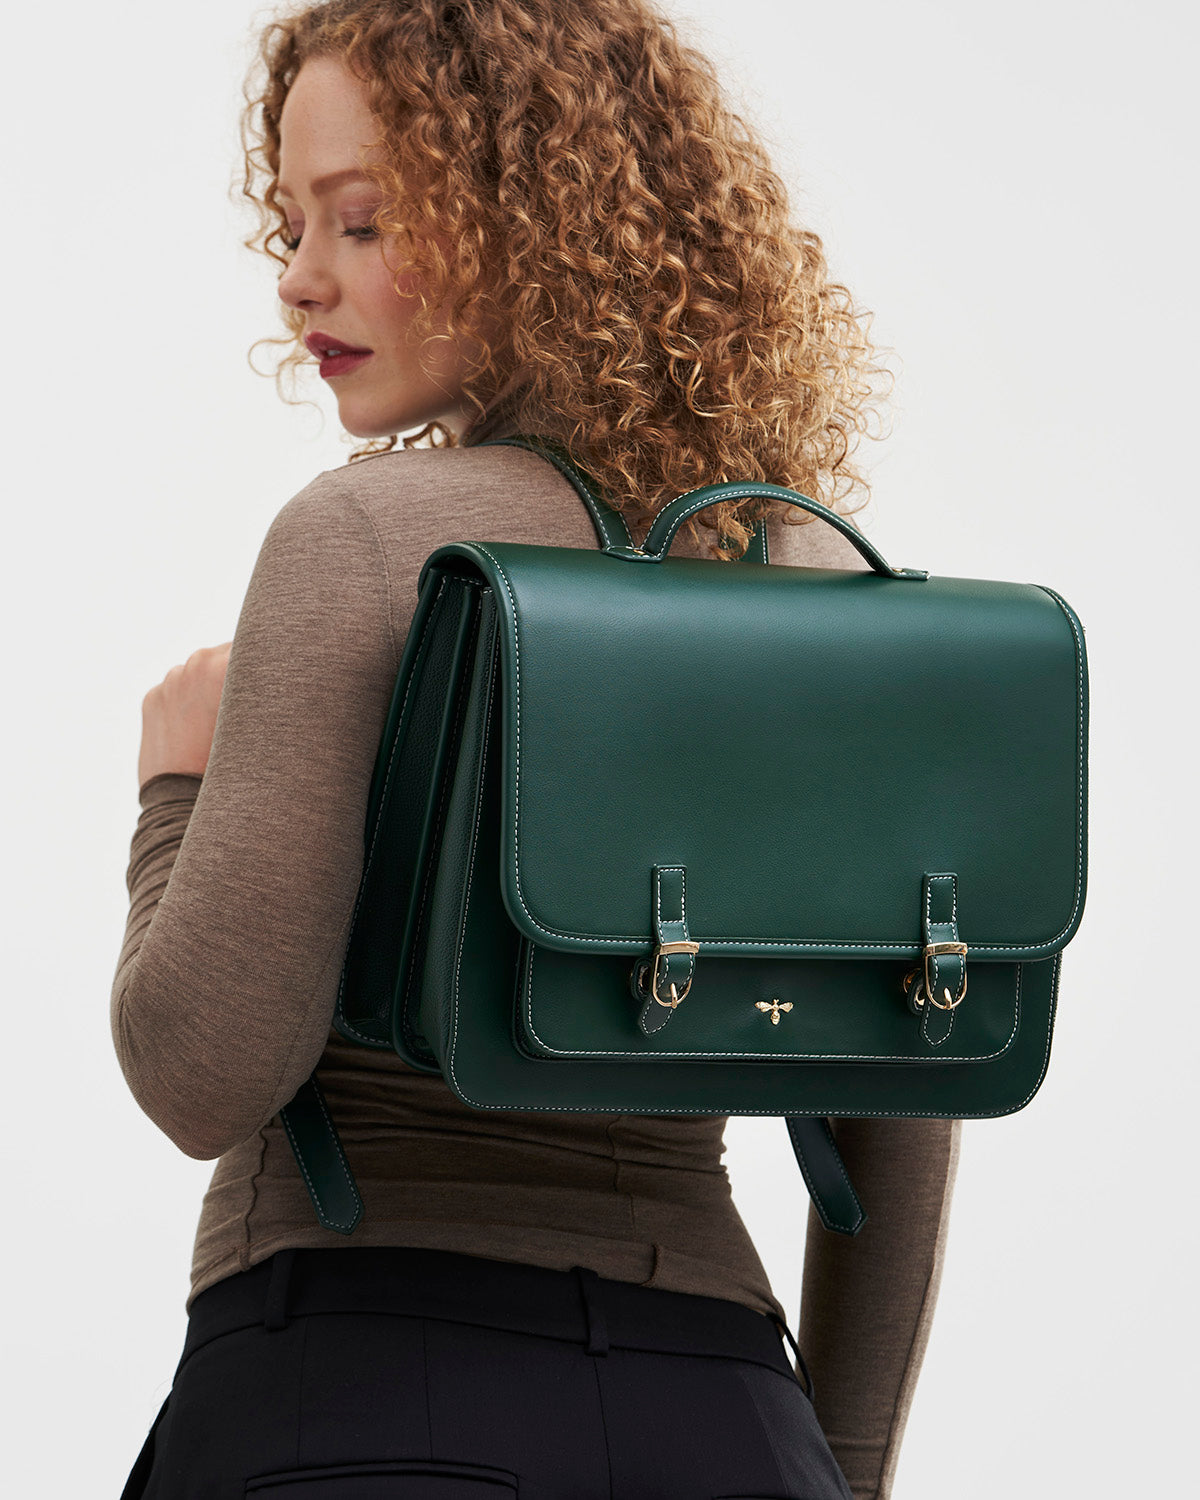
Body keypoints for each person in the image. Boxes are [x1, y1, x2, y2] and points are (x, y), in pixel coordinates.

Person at [112, 2, 960, 1496]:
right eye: (294, 219)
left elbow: (201, 1075)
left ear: (531, 224)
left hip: (361, 1389)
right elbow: (899, 1112)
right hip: (725, 1407)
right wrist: (828, 1468)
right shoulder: (814, 581)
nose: (303, 276)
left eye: (363, 220)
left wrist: (175, 794)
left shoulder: (365, 542)